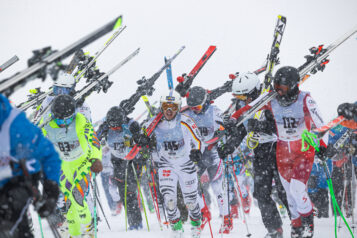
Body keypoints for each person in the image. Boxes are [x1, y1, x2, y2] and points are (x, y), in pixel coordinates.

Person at [219, 72, 289, 238]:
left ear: (254, 91)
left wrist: (261, 125)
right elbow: (242, 129)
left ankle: (300, 223)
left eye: (245, 97)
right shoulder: (242, 106)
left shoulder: (271, 100)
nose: (243, 100)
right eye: (240, 97)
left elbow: (281, 124)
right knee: (261, 193)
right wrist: (229, 147)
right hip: (261, 152)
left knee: (284, 190)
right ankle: (274, 230)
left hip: (279, 148)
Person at [132, 90, 203, 238]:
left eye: (173, 107)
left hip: (185, 164)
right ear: (161, 106)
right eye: (166, 106)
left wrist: (197, 151)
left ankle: (196, 226)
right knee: (169, 200)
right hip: (166, 164)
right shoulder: (154, 122)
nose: (169, 110)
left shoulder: (185, 120)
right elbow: (142, 137)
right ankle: (176, 229)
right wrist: (140, 139)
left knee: (190, 201)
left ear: (178, 107)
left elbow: (198, 139)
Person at [267, 66, 327, 237]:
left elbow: (321, 123)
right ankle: (296, 226)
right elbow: (256, 114)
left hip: (302, 149)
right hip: (282, 151)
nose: (279, 91)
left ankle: (308, 222)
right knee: (289, 193)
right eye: (276, 86)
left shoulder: (305, 99)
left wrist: (323, 146)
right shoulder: (271, 100)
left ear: (293, 86)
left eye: (283, 87)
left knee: (297, 189)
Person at [0, 93, 61, 238]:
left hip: (18, 180)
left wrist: (51, 188)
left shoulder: (16, 127)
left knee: (8, 223)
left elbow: (48, 155)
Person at [42, 94, 102, 237]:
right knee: (68, 207)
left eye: (68, 119)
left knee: (78, 197)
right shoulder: (47, 125)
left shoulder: (81, 121)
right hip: (63, 168)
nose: (63, 123)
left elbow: (94, 141)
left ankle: (89, 226)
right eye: (59, 120)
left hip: (82, 163)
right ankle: (74, 234)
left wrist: (95, 159)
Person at [183, 86, 231, 234]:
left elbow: (224, 130)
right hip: (197, 155)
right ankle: (204, 214)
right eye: (192, 107)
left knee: (218, 188)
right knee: (192, 188)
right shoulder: (186, 113)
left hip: (212, 153)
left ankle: (226, 218)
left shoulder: (214, 111)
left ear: (204, 102)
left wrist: (221, 136)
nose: (195, 110)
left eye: (197, 107)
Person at [97, 106, 144, 230]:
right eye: (113, 127)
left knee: (130, 191)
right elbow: (95, 138)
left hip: (133, 160)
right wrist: (100, 133)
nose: (115, 129)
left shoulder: (132, 125)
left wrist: (137, 138)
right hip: (117, 161)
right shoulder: (107, 127)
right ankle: (133, 221)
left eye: (117, 126)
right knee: (123, 193)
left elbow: (141, 141)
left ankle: (136, 222)